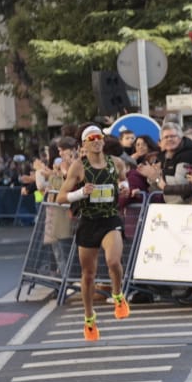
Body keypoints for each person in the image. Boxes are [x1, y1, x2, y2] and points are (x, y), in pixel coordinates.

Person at [56, 124, 131, 341]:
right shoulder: (79, 167)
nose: (97, 140)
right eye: (92, 138)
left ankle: (118, 295)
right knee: (88, 275)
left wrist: (124, 186)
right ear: (84, 144)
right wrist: (81, 192)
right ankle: (89, 319)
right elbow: (61, 197)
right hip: (88, 222)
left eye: (100, 137)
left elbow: (122, 178)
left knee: (113, 261)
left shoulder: (116, 163)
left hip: (110, 219)